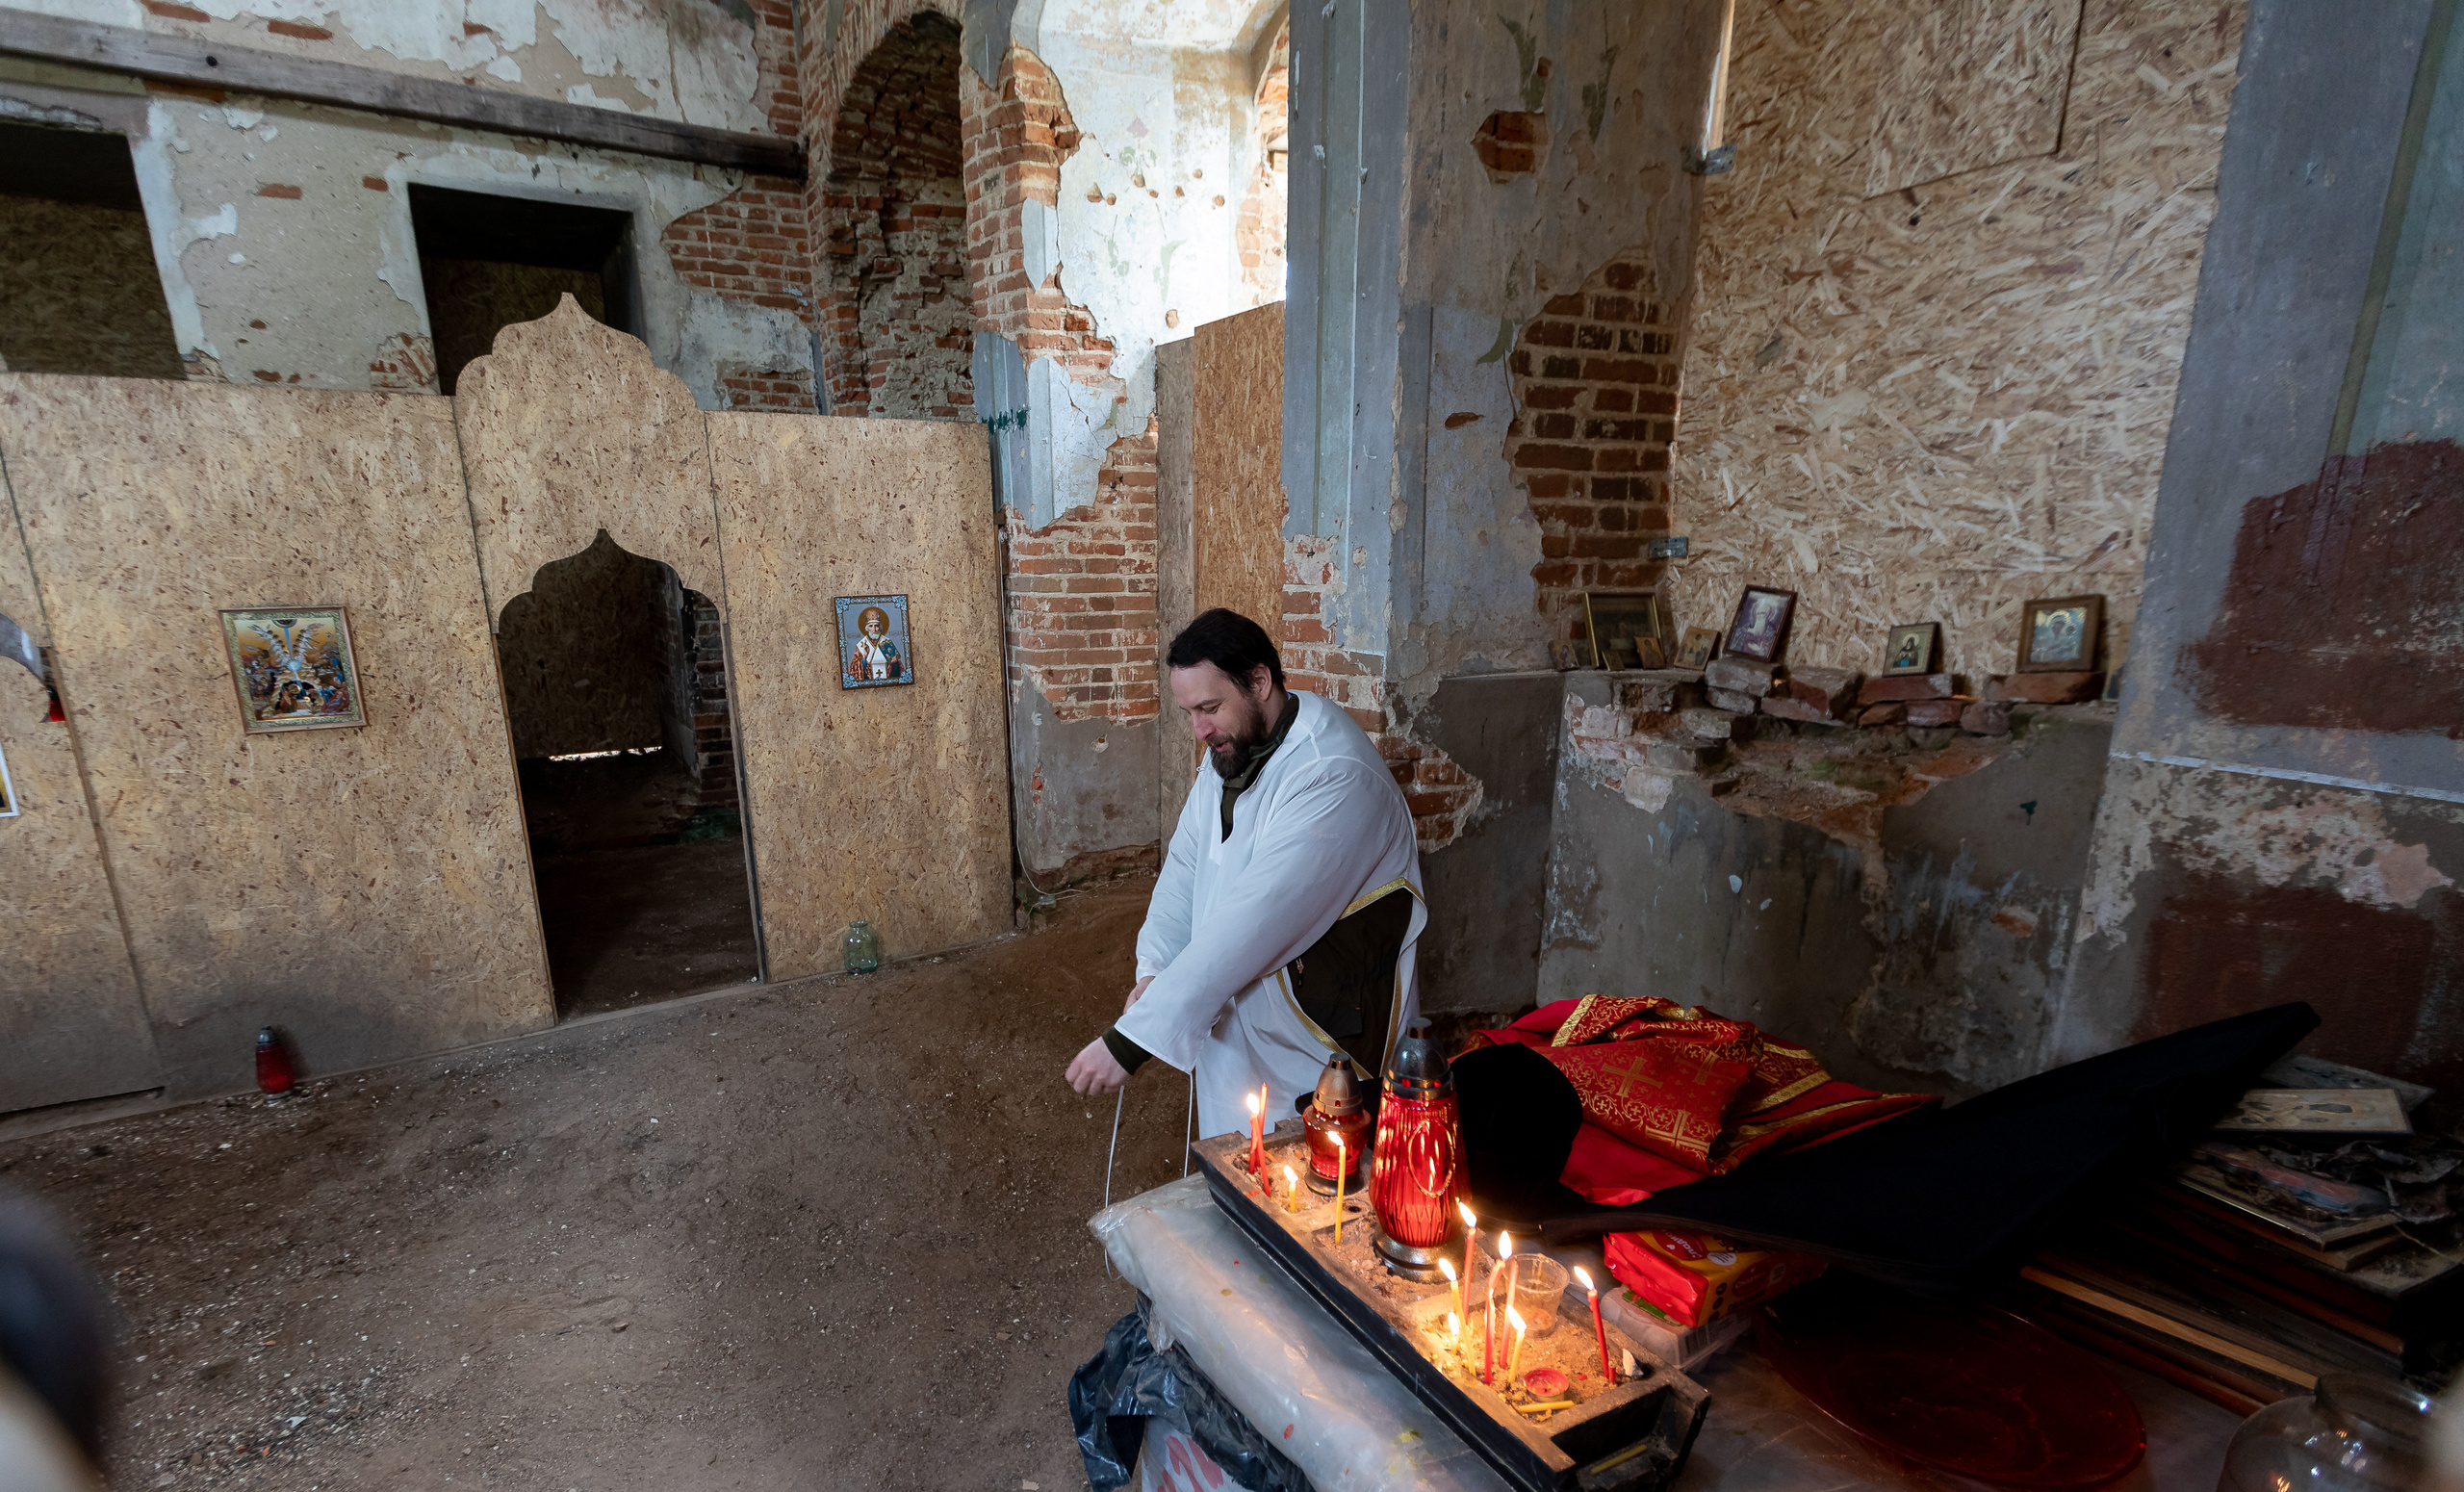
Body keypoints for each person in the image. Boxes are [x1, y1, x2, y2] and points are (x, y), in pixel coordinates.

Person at [1063, 608, 1426, 1139]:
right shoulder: (1235, 749)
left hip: (1318, 1042)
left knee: (1312, 1174)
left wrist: (1131, 1041)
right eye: (1189, 712)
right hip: (1237, 1018)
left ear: (1259, 681)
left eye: (1210, 708)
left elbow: (1260, 917)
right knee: (1234, 1162)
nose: (1199, 730)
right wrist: (1156, 969)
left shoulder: (1334, 776)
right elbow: (1187, 865)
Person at [847, 605, 903, 682]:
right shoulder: (861, 645)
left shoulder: (886, 641)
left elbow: (898, 668)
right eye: (871, 626)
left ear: (880, 627)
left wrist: (894, 663)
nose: (874, 629)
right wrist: (864, 657)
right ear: (867, 628)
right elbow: (854, 668)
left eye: (876, 626)